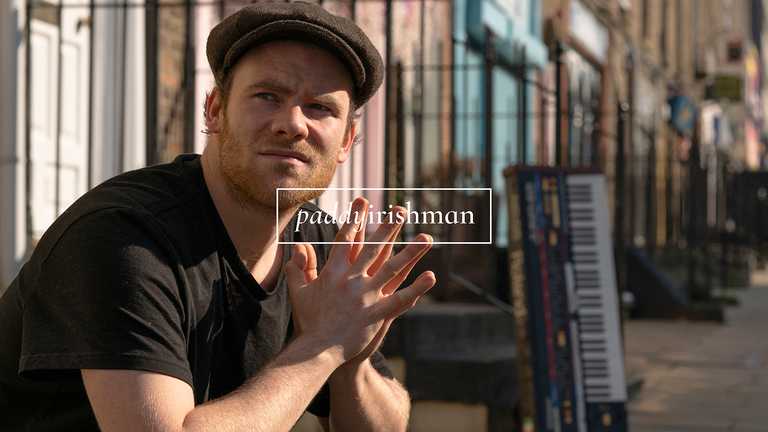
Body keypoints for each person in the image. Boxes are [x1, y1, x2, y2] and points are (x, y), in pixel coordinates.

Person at [0, 2, 436, 431]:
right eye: (268, 96)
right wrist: (322, 344)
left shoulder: (319, 241)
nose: (293, 124)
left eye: (319, 107)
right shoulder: (125, 237)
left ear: (347, 141)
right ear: (214, 111)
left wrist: (350, 359)